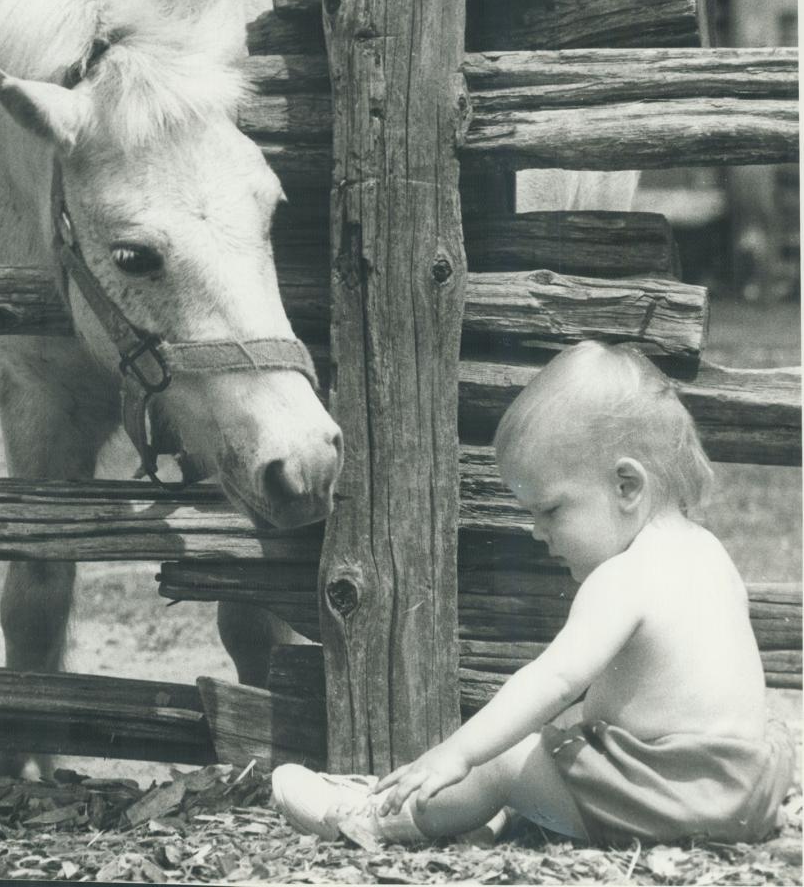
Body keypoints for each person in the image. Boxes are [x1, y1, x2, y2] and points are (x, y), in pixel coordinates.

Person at [271, 341, 794, 846]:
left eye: (550, 510)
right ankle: (485, 817)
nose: (537, 532)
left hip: (675, 798)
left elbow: (552, 679)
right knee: (568, 732)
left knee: (502, 761)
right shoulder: (708, 553)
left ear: (627, 487)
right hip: (747, 790)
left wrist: (458, 753)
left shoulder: (624, 577)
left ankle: (378, 818)